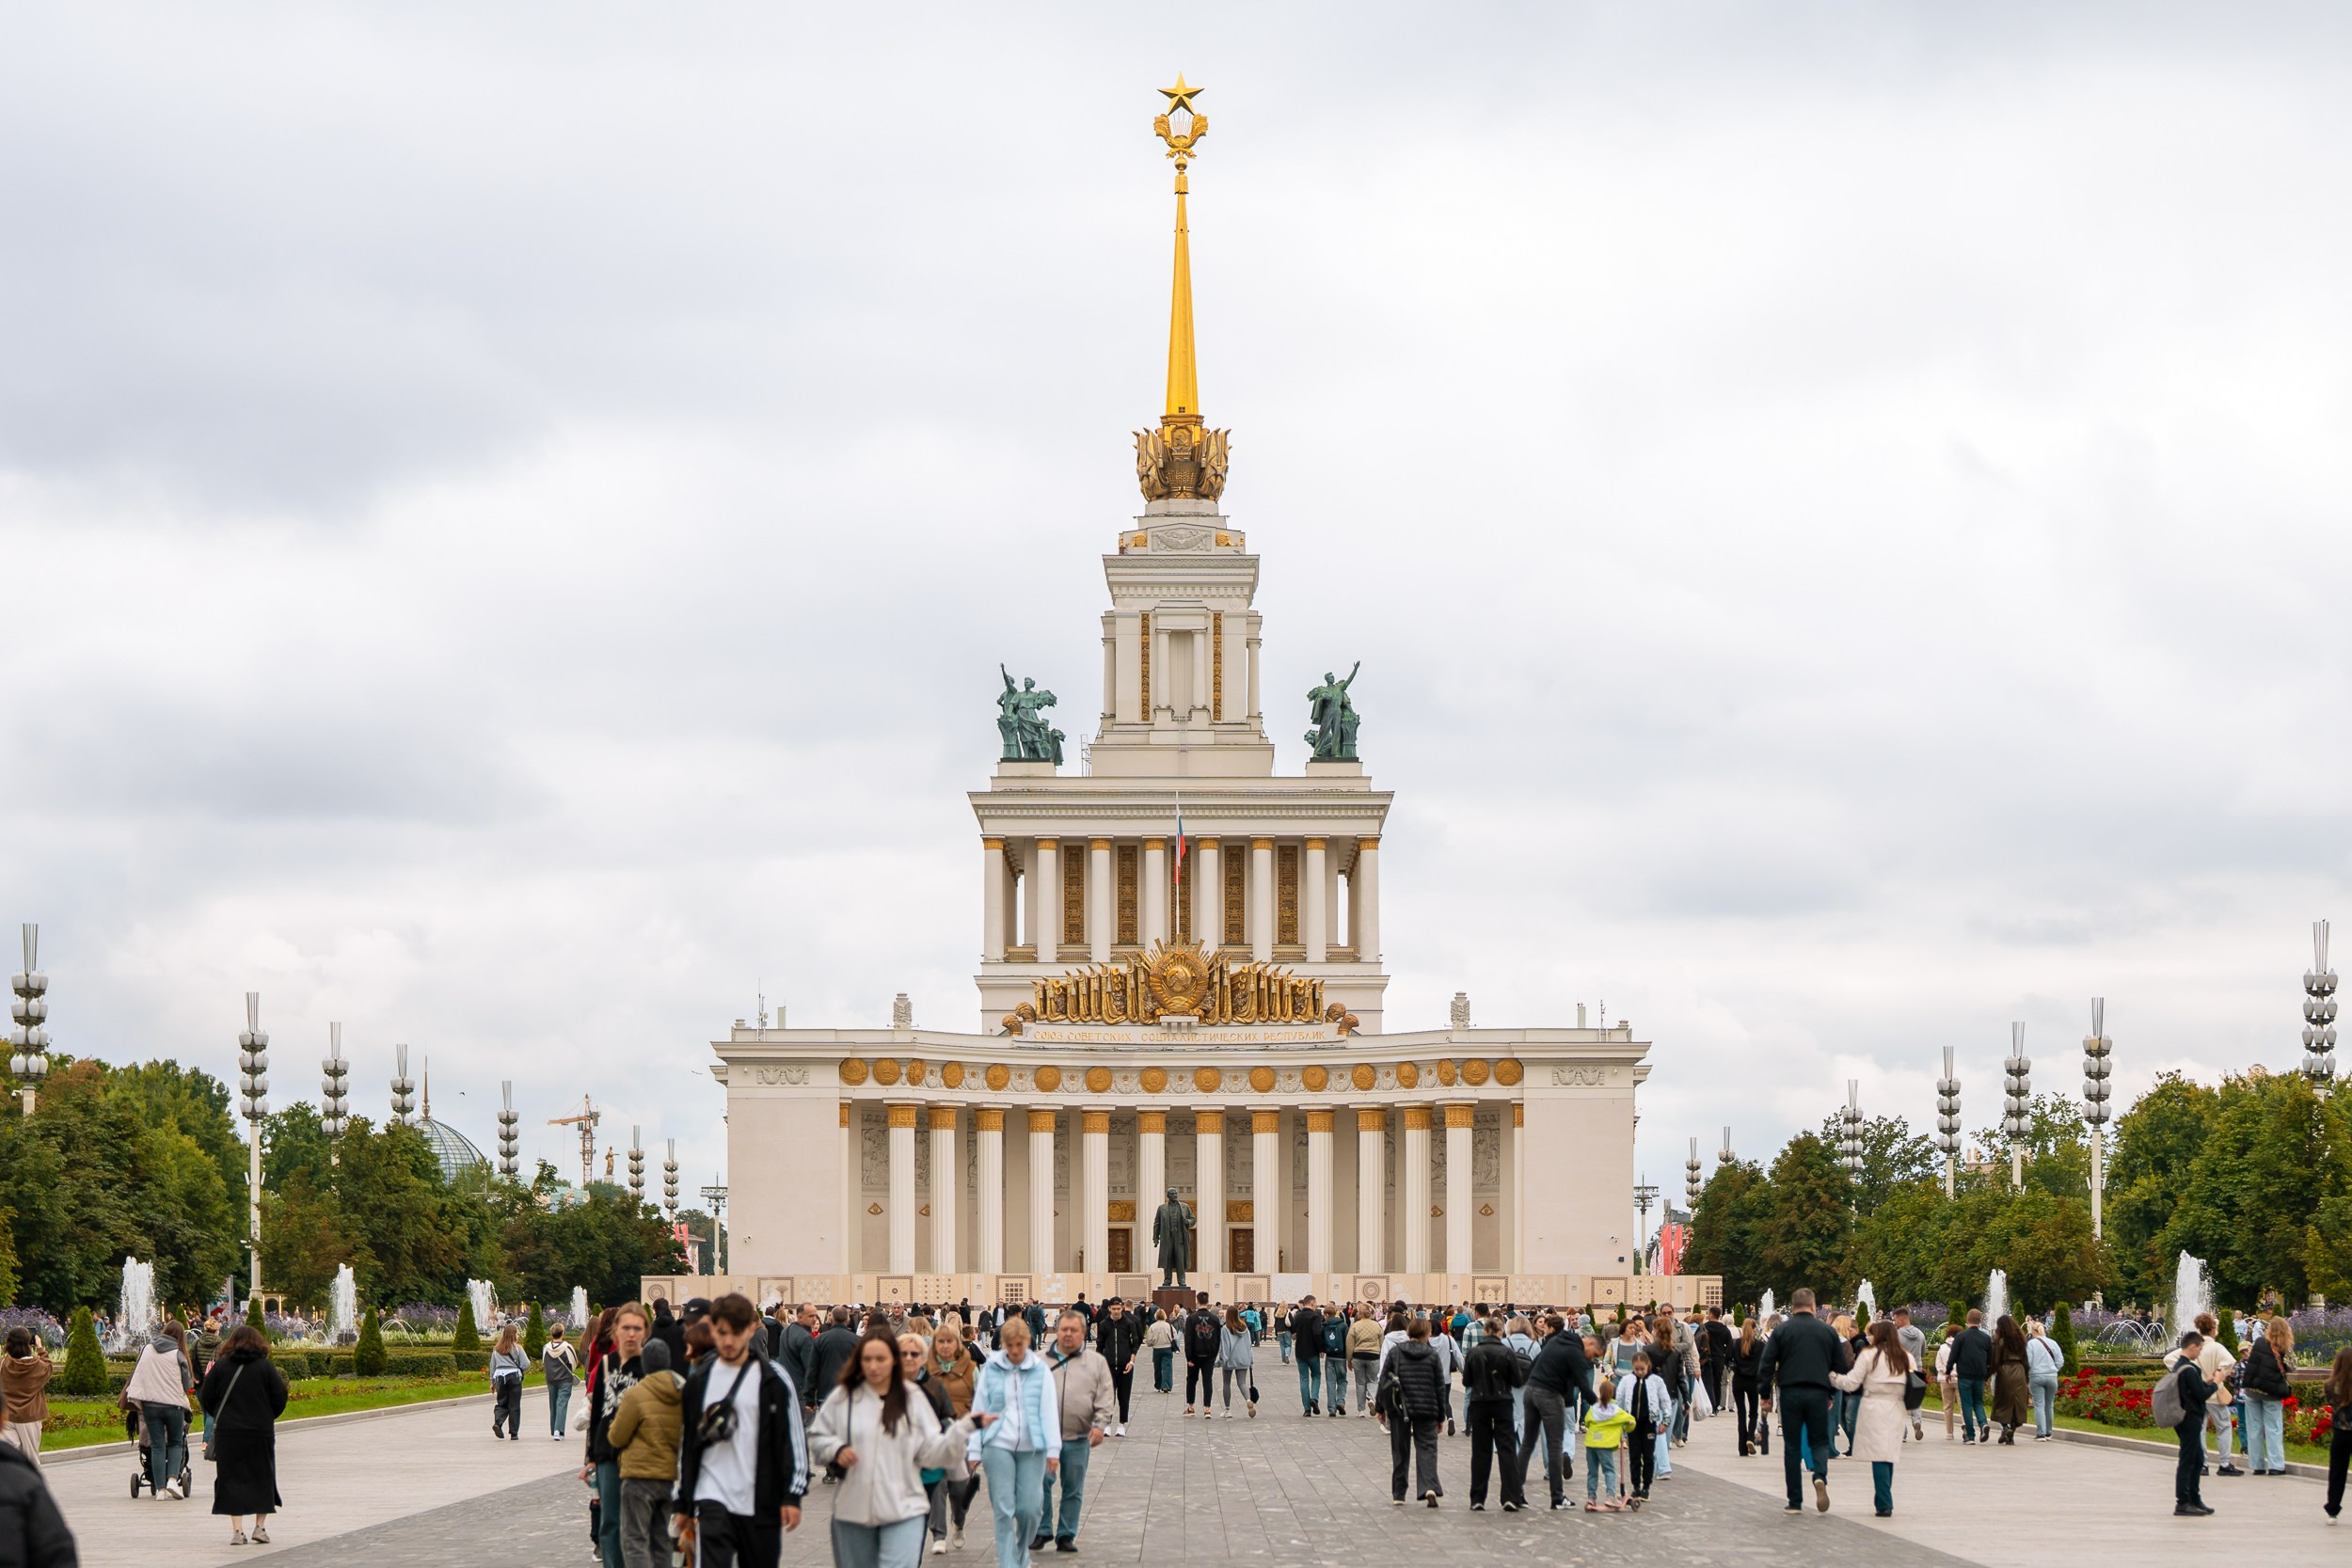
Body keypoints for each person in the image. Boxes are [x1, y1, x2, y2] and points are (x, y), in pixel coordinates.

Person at [810, 1329, 980, 1568]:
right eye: (867, 1359)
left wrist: (962, 1430)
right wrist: (836, 1449)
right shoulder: (844, 1397)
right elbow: (818, 1438)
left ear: (893, 1361)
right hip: (854, 1510)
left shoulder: (912, 1397)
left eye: (880, 1359)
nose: (873, 1366)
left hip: (904, 1506)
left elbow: (932, 1450)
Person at [675, 1293, 809, 1568]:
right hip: (712, 1496)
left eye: (736, 1332)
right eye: (722, 1332)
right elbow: (689, 1444)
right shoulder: (699, 1382)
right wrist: (684, 1503)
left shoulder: (771, 1380)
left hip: (760, 1500)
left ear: (750, 1329)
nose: (728, 1341)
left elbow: (790, 1440)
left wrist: (792, 1495)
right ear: (712, 1329)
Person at [970, 1314, 1056, 1568]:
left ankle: (1022, 1552)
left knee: (1030, 1508)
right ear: (1004, 1344)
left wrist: (1053, 1449)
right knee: (1004, 1508)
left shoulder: (1040, 1370)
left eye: (1020, 1345)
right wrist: (974, 1450)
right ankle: (1008, 1563)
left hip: (1033, 1446)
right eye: (1011, 1345)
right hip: (997, 1444)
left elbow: (1049, 1410)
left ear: (1028, 1342)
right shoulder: (992, 1369)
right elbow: (979, 1408)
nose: (1016, 1350)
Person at [1756, 1288, 1847, 1513]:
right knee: (1819, 1441)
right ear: (1813, 1306)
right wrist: (1830, 1394)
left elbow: (1766, 1365)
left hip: (1790, 1392)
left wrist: (1765, 1396)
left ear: (1793, 1306)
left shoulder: (1781, 1331)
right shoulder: (1827, 1332)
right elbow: (1840, 1366)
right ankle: (1819, 1477)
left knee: (1793, 1445)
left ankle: (1795, 1501)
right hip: (1818, 1392)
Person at [199, 1324, 287, 1544]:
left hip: (229, 1433)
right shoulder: (265, 1367)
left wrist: (220, 1413)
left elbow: (206, 1397)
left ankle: (237, 1531)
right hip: (260, 1431)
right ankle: (260, 1527)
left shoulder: (221, 1367)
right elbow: (280, 1396)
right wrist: (268, 1415)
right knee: (263, 1478)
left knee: (231, 1479)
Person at [1035, 1309, 1114, 1554]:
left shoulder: (1095, 1362)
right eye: (1064, 1329)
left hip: (1078, 1436)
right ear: (1056, 1331)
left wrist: (1100, 1425)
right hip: (1044, 1437)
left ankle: (1066, 1534)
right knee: (1041, 1483)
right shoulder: (1038, 1361)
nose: (1068, 1334)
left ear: (1083, 1333)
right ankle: (1042, 1529)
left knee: (1073, 1487)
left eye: (1073, 1330)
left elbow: (1105, 1395)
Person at [608, 1338, 684, 1568]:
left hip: (639, 1476)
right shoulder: (682, 1392)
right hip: (667, 1476)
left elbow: (617, 1437)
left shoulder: (636, 1394)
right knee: (661, 1538)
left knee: (635, 1538)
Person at [583, 1304, 649, 1568]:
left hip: (642, 1454)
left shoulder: (650, 1365)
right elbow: (597, 1413)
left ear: (645, 1332)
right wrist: (590, 1457)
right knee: (610, 1521)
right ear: (615, 1332)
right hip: (609, 1454)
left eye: (637, 1328)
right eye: (626, 1328)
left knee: (640, 1522)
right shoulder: (607, 1364)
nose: (631, 1334)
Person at [1831, 1320, 1911, 1517]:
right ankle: (1884, 1498)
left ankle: (1884, 1502)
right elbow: (1914, 1383)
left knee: (1879, 1455)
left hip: (1874, 1406)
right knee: (1888, 1453)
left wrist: (1832, 1377)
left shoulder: (1869, 1355)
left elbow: (1851, 1383)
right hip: (1897, 1407)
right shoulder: (1905, 1356)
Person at [1515, 1312, 1591, 1510]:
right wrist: (1602, 1404)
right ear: (1589, 1344)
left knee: (1527, 1443)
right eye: (1596, 1353)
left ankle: (1514, 1492)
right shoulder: (1574, 1350)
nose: (1594, 1358)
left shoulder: (1551, 1344)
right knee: (1555, 1445)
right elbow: (1583, 1385)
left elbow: (1534, 1366)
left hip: (1531, 1391)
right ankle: (1557, 1497)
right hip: (1549, 1395)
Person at [1377, 1318, 1447, 1506]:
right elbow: (1440, 1387)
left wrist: (1379, 1408)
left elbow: (1384, 1380)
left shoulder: (1396, 1352)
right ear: (1427, 1333)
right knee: (1427, 1448)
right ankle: (1429, 1486)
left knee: (1400, 1450)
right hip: (1427, 1408)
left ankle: (1399, 1494)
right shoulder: (1432, 1355)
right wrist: (1441, 1416)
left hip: (1400, 1408)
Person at [1463, 1316, 1528, 1512]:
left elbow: (1467, 1381)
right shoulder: (1507, 1352)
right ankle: (1510, 1496)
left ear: (1484, 1332)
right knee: (1506, 1449)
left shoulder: (1474, 1352)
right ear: (1501, 1332)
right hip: (1503, 1403)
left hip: (1480, 1403)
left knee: (1480, 1451)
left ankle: (1477, 1498)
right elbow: (1517, 1381)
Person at [123, 1330, 195, 1499]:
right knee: (176, 1443)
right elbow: (187, 1383)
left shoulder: (147, 1349)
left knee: (156, 1445)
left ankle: (160, 1490)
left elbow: (138, 1373)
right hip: (173, 1406)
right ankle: (172, 1480)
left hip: (150, 1405)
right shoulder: (177, 1353)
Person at [2166, 1330, 2217, 1516]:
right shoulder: (2190, 1369)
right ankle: (2183, 1502)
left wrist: (2206, 1382)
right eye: (2200, 1348)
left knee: (2196, 1458)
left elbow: (2192, 1390)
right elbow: (2201, 1395)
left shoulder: (2179, 1366)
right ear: (2193, 1346)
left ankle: (2194, 1499)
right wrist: (2215, 1383)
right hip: (2190, 1419)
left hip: (2183, 1418)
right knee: (2189, 1459)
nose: (2200, 1352)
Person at [2241, 1314, 2292, 1476]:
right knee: (2273, 1428)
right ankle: (2276, 1465)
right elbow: (2292, 1367)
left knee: (2254, 1428)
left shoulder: (2259, 1342)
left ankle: (2257, 1465)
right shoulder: (2284, 1348)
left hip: (2253, 1391)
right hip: (2272, 1392)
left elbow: (2252, 1363)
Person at [1, 1328, 54, 1467]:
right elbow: (49, 1367)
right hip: (30, 1417)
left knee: (8, 1459)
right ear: (28, 1343)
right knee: (31, 1461)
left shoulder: (3, 1364)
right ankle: (30, 1486)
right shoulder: (37, 1365)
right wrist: (40, 1347)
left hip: (7, 1416)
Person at [1625, 1350, 1669, 1507]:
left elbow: (1665, 1401)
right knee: (1634, 1455)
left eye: (1642, 1369)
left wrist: (1665, 1421)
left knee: (1648, 1455)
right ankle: (1636, 1486)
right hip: (1632, 1423)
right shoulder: (1627, 1380)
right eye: (1636, 1369)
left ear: (1648, 1366)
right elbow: (1620, 1400)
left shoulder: (1656, 1381)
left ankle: (1646, 1486)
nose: (1639, 1372)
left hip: (1649, 1422)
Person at [1581, 1377, 1634, 1512]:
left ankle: (1591, 1497)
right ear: (1613, 1394)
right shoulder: (1616, 1410)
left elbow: (1587, 1421)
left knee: (1592, 1472)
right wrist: (1628, 1427)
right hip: (1605, 1445)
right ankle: (1610, 1496)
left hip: (1591, 1443)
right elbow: (1631, 1421)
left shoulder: (1594, 1408)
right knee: (1609, 1470)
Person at [1095, 1298, 1142, 1437]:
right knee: (1108, 1397)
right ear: (1110, 1308)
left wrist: (1131, 1361)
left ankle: (1121, 1424)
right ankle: (1107, 1424)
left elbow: (1135, 1344)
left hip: (1125, 1365)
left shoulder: (1129, 1324)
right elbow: (1100, 1346)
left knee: (1124, 1395)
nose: (1116, 1311)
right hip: (1108, 1365)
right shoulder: (1104, 1324)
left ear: (1122, 1308)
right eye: (1113, 1309)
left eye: (1118, 1308)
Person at [1947, 1308, 1994, 1444]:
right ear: (1980, 1322)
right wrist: (1986, 1376)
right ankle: (1983, 1423)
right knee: (1978, 1402)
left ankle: (1970, 1436)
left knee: (1967, 1405)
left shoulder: (1961, 1337)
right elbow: (1990, 1360)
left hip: (1965, 1376)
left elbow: (1953, 1356)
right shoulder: (1986, 1338)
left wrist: (1948, 1371)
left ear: (1967, 1320)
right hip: (1979, 1376)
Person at [2322, 1344, 2352, 1522]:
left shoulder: (2330, 1385)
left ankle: (2332, 1510)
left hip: (2340, 1433)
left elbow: (2333, 1405)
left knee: (2337, 1473)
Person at [1990, 1314, 2030, 1445]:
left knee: (2002, 1402)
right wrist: (2026, 1378)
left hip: (2005, 1371)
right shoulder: (2021, 1340)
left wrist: (1987, 1374)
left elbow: (1995, 1360)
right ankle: (2011, 1433)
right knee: (2017, 1404)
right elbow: (2026, 1361)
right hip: (2020, 1372)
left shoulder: (2000, 1340)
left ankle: (2005, 1427)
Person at [2025, 1318, 2065, 1442]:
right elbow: (2060, 1360)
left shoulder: (2031, 1344)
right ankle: (2049, 1432)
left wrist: (2029, 1373)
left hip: (2036, 1376)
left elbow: (2028, 1361)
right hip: (2051, 1376)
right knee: (2049, 1405)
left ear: (2032, 1331)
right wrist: (2053, 1369)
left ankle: (2041, 1433)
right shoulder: (2053, 1343)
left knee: (2039, 1405)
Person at [1890, 1307, 1928, 1442]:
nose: (1894, 1323)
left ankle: (1903, 1433)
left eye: (1895, 1320)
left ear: (1900, 1319)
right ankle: (1917, 1421)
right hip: (1917, 1368)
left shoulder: (1896, 1335)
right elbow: (1924, 1352)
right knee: (1915, 1398)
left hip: (1901, 1370)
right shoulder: (1920, 1334)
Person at [1731, 1314, 1764, 1458]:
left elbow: (1729, 1360)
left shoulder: (1736, 1343)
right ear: (1755, 1329)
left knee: (1741, 1413)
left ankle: (1742, 1448)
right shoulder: (1760, 1345)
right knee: (1753, 1413)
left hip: (1738, 1380)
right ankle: (1750, 1437)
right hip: (1753, 1381)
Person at [489, 1323, 530, 1441]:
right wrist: (521, 1368)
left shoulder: (496, 1349)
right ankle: (514, 1433)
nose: (518, 1336)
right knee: (514, 1405)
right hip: (514, 1377)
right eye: (517, 1334)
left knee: (501, 1402)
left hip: (500, 1377)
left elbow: (493, 1366)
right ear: (513, 1335)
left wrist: (492, 1382)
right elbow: (526, 1364)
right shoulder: (517, 1348)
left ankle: (498, 1422)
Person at [1183, 1294, 1221, 1416]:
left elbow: (1188, 1338)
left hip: (1194, 1356)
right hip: (1209, 1356)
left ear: (1197, 1301)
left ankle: (1191, 1407)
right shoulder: (1215, 1319)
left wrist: (1189, 1357)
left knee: (1191, 1380)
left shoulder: (1191, 1318)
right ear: (1208, 1301)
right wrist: (1214, 1355)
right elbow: (1218, 1339)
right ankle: (1207, 1409)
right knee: (1207, 1381)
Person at [1288, 1298, 1326, 1416]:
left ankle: (1307, 1409)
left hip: (1300, 1351)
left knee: (1303, 1379)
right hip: (1312, 1351)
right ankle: (1314, 1398)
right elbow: (1316, 1333)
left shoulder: (1297, 1316)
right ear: (1313, 1303)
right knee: (1316, 1375)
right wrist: (1321, 1349)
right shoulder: (1315, 1316)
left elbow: (1293, 1330)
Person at [1216, 1307, 1256, 1418]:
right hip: (1244, 1359)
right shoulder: (1245, 1328)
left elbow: (1225, 1347)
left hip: (1230, 1360)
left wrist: (1220, 1362)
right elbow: (1249, 1345)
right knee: (1242, 1383)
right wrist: (1251, 1361)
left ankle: (1227, 1410)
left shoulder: (1226, 1329)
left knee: (1226, 1383)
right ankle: (1248, 1400)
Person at [545, 1323, 580, 1441]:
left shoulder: (546, 1348)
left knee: (553, 1404)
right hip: (565, 1379)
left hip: (551, 1379)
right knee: (561, 1404)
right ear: (563, 1333)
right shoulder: (567, 1347)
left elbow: (544, 1363)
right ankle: (558, 1430)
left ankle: (554, 1429)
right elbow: (574, 1363)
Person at [1347, 1304, 1384, 1417]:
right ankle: (1372, 1399)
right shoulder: (1377, 1325)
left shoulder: (1355, 1326)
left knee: (1360, 1383)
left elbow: (1349, 1343)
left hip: (1358, 1356)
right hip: (1373, 1356)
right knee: (1373, 1380)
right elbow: (1382, 1341)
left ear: (1360, 1314)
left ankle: (1361, 1410)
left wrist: (1349, 1359)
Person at [1700, 1306, 1734, 1416]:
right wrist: (1726, 1357)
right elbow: (1730, 1344)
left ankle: (1709, 1404)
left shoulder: (1704, 1327)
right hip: (1719, 1357)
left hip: (1707, 1357)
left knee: (1707, 1382)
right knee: (1717, 1382)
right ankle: (1716, 1407)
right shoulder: (1724, 1329)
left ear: (1711, 1314)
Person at [1321, 1309, 1352, 1421]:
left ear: (1327, 1315)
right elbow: (1348, 1342)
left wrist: (1323, 1350)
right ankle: (1341, 1401)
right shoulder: (1343, 1325)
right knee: (1342, 1380)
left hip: (1330, 1356)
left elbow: (1322, 1340)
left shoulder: (1324, 1325)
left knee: (1330, 1382)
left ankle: (1331, 1409)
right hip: (1341, 1357)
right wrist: (1349, 1358)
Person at [1144, 1307, 1176, 1396]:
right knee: (1167, 1367)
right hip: (1167, 1348)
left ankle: (1158, 1384)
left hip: (1157, 1349)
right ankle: (1166, 1385)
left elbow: (1149, 1340)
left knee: (1157, 1368)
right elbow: (1175, 1337)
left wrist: (1151, 1344)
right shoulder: (1169, 1326)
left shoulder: (1153, 1326)